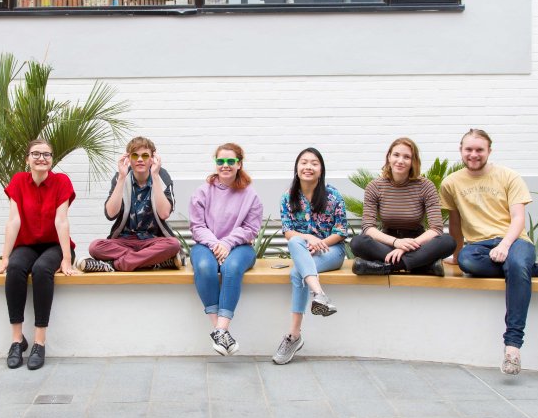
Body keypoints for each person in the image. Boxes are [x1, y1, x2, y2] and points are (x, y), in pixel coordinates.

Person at [440, 129, 538, 376]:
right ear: (461, 151)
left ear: (489, 150)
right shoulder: (451, 183)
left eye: (479, 149)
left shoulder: (508, 176)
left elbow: (519, 218)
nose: (474, 154)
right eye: (468, 149)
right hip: (479, 246)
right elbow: (455, 223)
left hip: (515, 240)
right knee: (469, 263)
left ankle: (512, 346)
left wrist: (504, 245)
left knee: (516, 264)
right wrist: (457, 256)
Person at [0, 139, 77, 370]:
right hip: (26, 244)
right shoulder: (18, 181)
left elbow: (61, 221)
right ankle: (17, 340)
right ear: (27, 158)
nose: (41, 158)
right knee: (16, 268)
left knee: (41, 269)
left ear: (52, 160)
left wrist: (66, 259)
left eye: (46, 155)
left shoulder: (61, 182)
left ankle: (39, 341)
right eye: (36, 154)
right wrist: (5, 257)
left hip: (55, 246)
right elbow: (14, 221)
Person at [272, 147, 349, 365]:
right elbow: (288, 232)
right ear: (297, 168)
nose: (308, 167)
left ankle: (294, 337)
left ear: (321, 169)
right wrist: (309, 238)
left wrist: (320, 242)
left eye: (314, 163)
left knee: (298, 268)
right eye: (304, 162)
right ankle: (318, 297)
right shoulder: (288, 197)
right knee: (297, 262)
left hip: (332, 251)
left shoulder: (333, 195)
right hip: (304, 251)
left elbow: (341, 231)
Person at [189, 143, 263, 355]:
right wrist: (216, 244)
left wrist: (227, 243)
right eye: (220, 161)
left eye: (231, 161)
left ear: (239, 164)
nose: (225, 165)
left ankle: (221, 329)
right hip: (206, 245)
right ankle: (221, 332)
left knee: (231, 268)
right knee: (204, 266)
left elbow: (251, 229)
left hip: (240, 247)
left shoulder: (251, 195)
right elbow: (197, 226)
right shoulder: (202, 192)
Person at [351, 137, 457, 276]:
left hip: (417, 244)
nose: (400, 161)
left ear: (413, 161)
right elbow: (368, 228)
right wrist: (396, 243)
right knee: (357, 242)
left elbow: (436, 229)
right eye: (396, 155)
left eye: (407, 157)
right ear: (389, 157)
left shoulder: (426, 186)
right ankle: (422, 267)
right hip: (387, 242)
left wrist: (405, 247)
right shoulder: (375, 186)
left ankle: (385, 267)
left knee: (448, 241)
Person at [78, 136, 181, 272]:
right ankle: (152, 262)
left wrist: (155, 176)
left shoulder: (161, 176)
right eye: (135, 155)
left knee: (173, 244)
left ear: (152, 159)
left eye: (145, 156)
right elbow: (110, 214)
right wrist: (121, 177)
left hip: (152, 240)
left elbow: (164, 213)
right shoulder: (121, 177)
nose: (139, 159)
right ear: (129, 158)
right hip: (124, 241)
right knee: (95, 246)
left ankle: (113, 265)